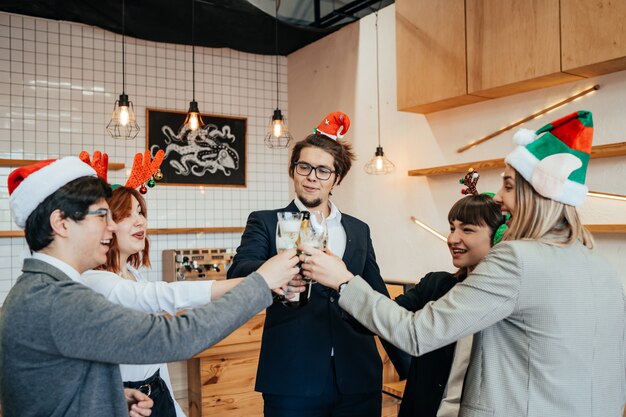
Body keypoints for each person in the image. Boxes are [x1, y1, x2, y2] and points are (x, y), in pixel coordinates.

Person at [302, 111, 626, 417]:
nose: (498, 197)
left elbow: (416, 333)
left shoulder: (516, 260)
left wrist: (344, 281)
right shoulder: (602, 268)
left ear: (535, 195)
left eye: (509, 185)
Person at [0, 156, 300, 417]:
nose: (110, 227)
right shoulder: (57, 299)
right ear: (61, 223)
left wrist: (113, 398)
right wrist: (260, 282)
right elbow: (173, 337)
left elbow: (58, 384)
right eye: (102, 216)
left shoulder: (41, 289)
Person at [227, 112, 410, 417]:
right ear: (293, 171)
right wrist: (281, 270)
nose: (313, 176)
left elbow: (377, 296)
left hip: (358, 375)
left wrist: (408, 364)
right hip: (292, 379)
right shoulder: (267, 221)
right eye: (305, 167)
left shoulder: (358, 230)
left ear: (336, 178)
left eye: (323, 170)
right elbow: (240, 270)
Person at [394, 192, 504, 417]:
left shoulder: (508, 303)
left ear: (499, 237)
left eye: (467, 229)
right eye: (452, 228)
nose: (453, 238)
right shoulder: (435, 285)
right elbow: (388, 317)